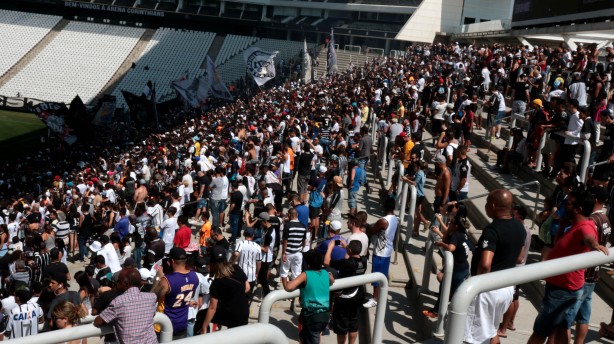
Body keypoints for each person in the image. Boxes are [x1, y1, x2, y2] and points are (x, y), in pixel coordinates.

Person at [528, 189, 609, 344]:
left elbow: (589, 237)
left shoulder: (585, 226)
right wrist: (563, 223)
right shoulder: (571, 224)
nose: (564, 206)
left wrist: (595, 245)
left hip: (563, 290)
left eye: (569, 204)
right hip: (563, 287)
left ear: (578, 209)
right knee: (561, 329)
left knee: (540, 332)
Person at [464, 190, 526, 344]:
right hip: (506, 289)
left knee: (473, 337)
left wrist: (475, 285)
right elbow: (520, 257)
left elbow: (485, 264)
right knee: (491, 330)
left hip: (487, 291)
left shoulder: (492, 230)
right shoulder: (520, 227)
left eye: (486, 203)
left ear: (492, 205)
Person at [94, 268, 158, 344]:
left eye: (118, 281)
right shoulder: (151, 297)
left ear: (125, 284)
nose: (116, 283)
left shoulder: (119, 301)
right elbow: (152, 314)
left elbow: (98, 321)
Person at [284, 250, 334, 344]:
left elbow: (288, 287)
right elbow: (332, 280)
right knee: (307, 338)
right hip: (325, 315)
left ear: (308, 265)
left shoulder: (306, 275)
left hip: (312, 317)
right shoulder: (325, 273)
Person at [498, 205, 533, 337]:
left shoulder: (520, 231)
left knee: (511, 299)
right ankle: (510, 323)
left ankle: (503, 329)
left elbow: (519, 256)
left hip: (515, 269)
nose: (511, 217)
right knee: (515, 297)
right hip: (520, 269)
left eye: (514, 215)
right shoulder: (526, 230)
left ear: (520, 217)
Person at [324, 240, 366, 344]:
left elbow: (326, 262)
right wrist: (347, 247)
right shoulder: (364, 261)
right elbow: (351, 258)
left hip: (345, 298)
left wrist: (330, 247)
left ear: (350, 250)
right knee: (353, 326)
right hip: (358, 295)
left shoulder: (347, 264)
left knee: (342, 328)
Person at [200, 245, 249, 332]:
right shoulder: (236, 268)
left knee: (201, 315)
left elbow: (212, 308)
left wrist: (204, 327)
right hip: (244, 314)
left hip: (232, 317)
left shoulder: (217, 282)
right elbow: (247, 288)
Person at [155, 247, 199, 339]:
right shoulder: (194, 276)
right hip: (182, 324)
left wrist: (158, 278)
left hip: (164, 325)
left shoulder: (167, 280)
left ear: (172, 261)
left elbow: (152, 297)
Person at [364, 198, 398, 308]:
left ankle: (375, 299)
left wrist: (367, 226)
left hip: (380, 252)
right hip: (387, 251)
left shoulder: (383, 221)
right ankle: (379, 296)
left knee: (376, 276)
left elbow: (371, 231)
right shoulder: (395, 219)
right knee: (382, 275)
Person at [280, 208, 307, 286]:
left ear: (289, 215)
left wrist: (283, 253)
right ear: (297, 215)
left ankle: (286, 288)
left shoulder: (287, 225)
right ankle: (294, 292)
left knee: (284, 272)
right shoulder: (303, 226)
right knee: (297, 273)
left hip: (288, 252)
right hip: (298, 253)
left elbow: (285, 240)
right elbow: (304, 241)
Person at [232, 228, 261, 300]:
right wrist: (257, 273)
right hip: (252, 275)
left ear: (244, 234)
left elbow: (236, 254)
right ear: (253, 236)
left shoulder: (240, 243)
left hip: (241, 274)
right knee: (248, 296)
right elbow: (259, 263)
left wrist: (231, 263)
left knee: (239, 294)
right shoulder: (258, 247)